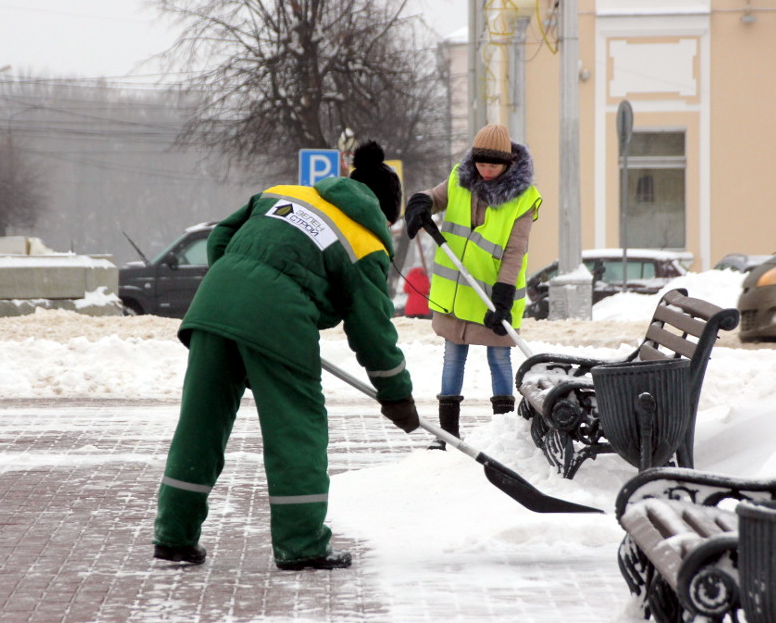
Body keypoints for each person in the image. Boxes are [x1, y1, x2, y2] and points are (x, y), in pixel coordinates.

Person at [153, 141, 419, 571]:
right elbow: (373, 333)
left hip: (213, 306)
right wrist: (397, 395)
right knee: (297, 429)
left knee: (201, 423)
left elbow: (221, 235)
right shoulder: (366, 242)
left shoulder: (284, 194)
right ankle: (301, 543)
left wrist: (238, 279)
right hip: (278, 320)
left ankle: (173, 535)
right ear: (387, 213)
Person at [404, 124, 541, 448]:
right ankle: (446, 434)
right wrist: (419, 203)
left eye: (494, 164)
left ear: (508, 163)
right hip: (455, 293)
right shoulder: (459, 178)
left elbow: (514, 252)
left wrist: (504, 296)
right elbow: (435, 198)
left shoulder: (524, 199)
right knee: (453, 358)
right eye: (481, 163)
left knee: (499, 359)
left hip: (495, 294)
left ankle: (504, 435)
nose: (487, 170)